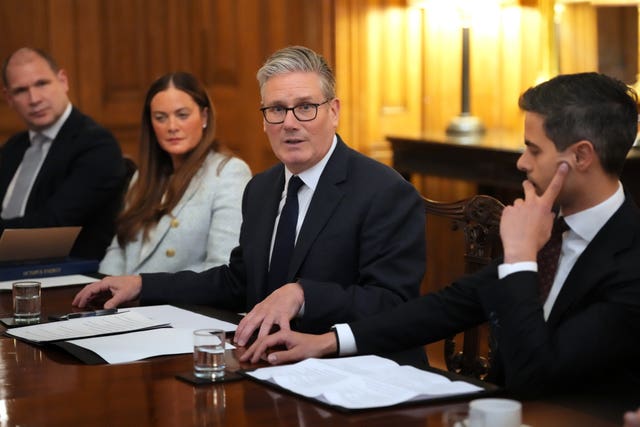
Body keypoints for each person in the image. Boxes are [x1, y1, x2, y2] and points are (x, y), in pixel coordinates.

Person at [241, 72, 640, 398]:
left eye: (533, 150)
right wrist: (328, 341)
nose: (521, 162)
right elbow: (447, 308)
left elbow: (536, 377)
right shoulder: (551, 230)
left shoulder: (629, 258)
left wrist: (519, 259)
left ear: (582, 156)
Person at [72, 45, 426, 355]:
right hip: (265, 360)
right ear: (264, 119)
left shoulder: (385, 192)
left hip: (353, 368)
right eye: (276, 110)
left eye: (305, 107)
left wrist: (303, 295)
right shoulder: (261, 189)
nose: (289, 123)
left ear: (334, 111)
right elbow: (237, 282)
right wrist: (142, 284)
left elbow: (393, 303)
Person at [98, 72, 251, 275]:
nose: (172, 127)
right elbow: (118, 250)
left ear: (204, 117)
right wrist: (104, 293)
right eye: (160, 118)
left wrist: (140, 290)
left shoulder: (228, 173)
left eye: (182, 115)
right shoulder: (142, 177)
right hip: (125, 304)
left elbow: (221, 268)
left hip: (180, 304)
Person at [0, 47, 125, 260]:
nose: (34, 99)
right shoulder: (13, 148)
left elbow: (52, 227)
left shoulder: (96, 145)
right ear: (8, 98)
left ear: (63, 81)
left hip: (66, 276)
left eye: (42, 83)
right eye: (21, 90)